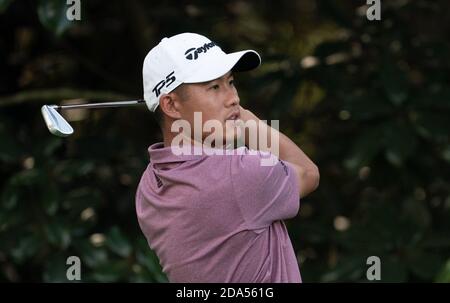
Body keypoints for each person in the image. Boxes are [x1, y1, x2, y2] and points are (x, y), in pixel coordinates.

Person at [135, 32, 320, 282]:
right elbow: (308, 173)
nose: (234, 98)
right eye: (213, 87)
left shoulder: (149, 187)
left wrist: (227, 113)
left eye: (230, 82)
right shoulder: (242, 173)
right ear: (171, 105)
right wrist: (242, 116)